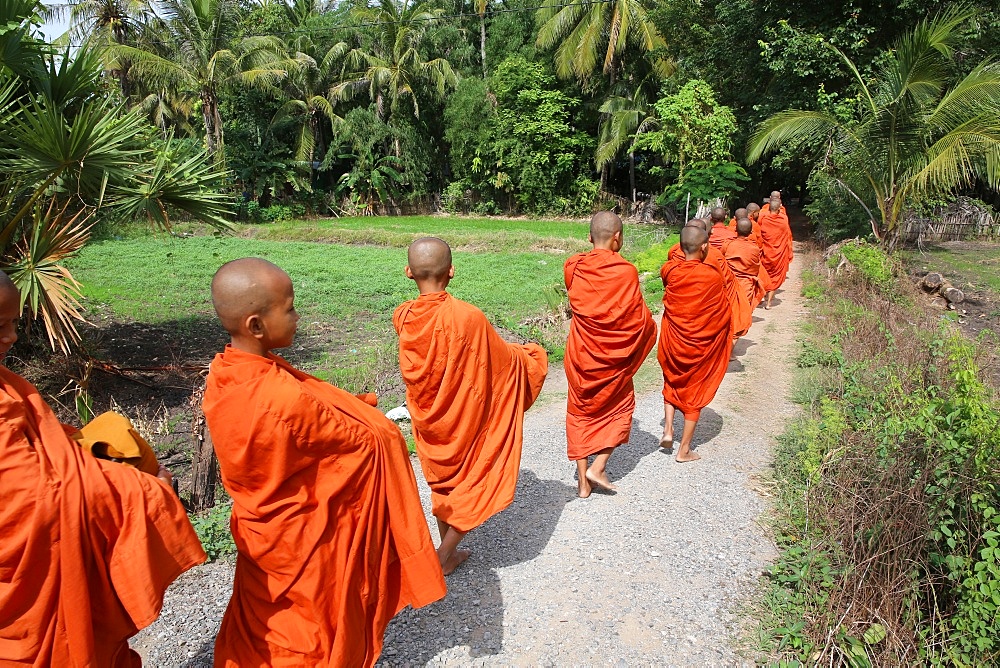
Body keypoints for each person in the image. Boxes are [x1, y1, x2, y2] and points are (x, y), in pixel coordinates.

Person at [203, 258, 445, 667]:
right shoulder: (280, 398)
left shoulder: (225, 373)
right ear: (256, 325)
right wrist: (373, 421)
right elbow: (365, 444)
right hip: (303, 542)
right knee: (310, 629)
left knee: (273, 620)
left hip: (265, 534)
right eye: (290, 307)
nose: (298, 316)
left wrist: (352, 410)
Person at [0, 271, 206, 666]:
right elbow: (36, 503)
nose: (11, 337)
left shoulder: (9, 386)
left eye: (12, 323)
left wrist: (89, 454)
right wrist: (143, 490)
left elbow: (48, 446)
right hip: (23, 605)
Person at [394, 238, 547, 574]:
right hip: (462, 419)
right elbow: (501, 361)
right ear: (452, 271)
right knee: (474, 480)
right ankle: (439, 557)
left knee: (443, 481)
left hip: (430, 419)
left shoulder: (403, 317)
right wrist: (529, 355)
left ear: (408, 272)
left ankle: (448, 557)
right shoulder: (467, 317)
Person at [563, 212, 656, 498]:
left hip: (582, 355)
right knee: (621, 407)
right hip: (612, 359)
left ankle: (582, 483)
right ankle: (598, 466)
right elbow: (638, 320)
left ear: (590, 237)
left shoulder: (574, 267)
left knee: (579, 412)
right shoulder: (626, 271)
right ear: (618, 238)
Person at [657, 227, 733, 462]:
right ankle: (684, 450)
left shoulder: (670, 271)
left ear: (679, 248)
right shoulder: (711, 275)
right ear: (704, 248)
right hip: (700, 343)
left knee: (672, 379)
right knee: (694, 389)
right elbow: (723, 311)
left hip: (674, 339)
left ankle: (668, 429)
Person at [668, 219, 751, 339]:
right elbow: (723, 286)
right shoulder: (715, 259)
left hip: (679, 317)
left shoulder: (671, 260)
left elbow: (669, 282)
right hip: (706, 317)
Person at [758, 190, 794, 308]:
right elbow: (787, 235)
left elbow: (758, 234)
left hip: (765, 253)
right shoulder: (783, 219)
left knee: (765, 274)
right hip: (778, 254)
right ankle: (769, 302)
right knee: (774, 277)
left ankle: (763, 295)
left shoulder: (762, 217)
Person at [723, 217, 766, 310]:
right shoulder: (754, 249)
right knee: (743, 310)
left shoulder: (727, 245)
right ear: (751, 232)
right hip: (746, 285)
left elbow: (722, 262)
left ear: (735, 230)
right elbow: (755, 269)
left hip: (730, 283)